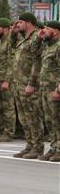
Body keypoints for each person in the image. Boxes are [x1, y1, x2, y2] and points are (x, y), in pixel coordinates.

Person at [11, 12, 45, 158]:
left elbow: (37, 61)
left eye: (20, 22)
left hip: (29, 84)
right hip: (19, 83)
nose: (18, 25)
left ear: (29, 23)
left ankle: (38, 147)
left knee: (33, 116)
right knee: (24, 117)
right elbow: (11, 48)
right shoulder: (22, 38)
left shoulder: (37, 37)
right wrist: (13, 34)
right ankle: (29, 145)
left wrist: (32, 83)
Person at [37, 21, 60, 162]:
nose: (44, 30)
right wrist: (39, 38)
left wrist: (58, 88)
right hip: (45, 89)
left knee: (57, 120)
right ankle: (54, 147)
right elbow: (34, 53)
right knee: (49, 120)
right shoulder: (48, 45)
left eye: (47, 28)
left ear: (56, 31)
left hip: (55, 88)